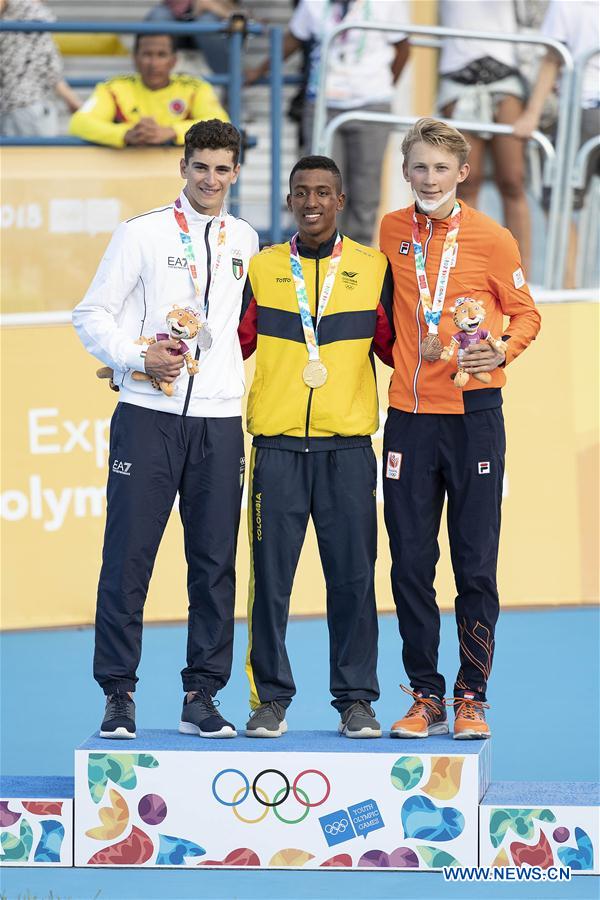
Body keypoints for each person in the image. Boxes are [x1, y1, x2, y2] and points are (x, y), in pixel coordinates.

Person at [72, 120, 259, 739]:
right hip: (148, 418)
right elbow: (92, 312)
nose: (211, 179)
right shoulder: (141, 233)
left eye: (223, 169)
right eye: (201, 167)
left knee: (214, 564)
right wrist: (132, 358)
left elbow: (238, 332)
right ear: (183, 166)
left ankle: (201, 695)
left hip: (219, 420)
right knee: (128, 558)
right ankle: (118, 695)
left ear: (236, 173)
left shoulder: (247, 240)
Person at [379, 118, 541, 741]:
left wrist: (500, 350)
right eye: (419, 167)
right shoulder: (392, 231)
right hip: (408, 418)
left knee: (475, 564)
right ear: (405, 171)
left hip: (475, 420)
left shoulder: (493, 238)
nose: (428, 178)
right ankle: (425, 695)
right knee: (410, 565)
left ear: (463, 174)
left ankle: (472, 695)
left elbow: (526, 314)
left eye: (440, 168)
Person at [237, 155, 395, 739]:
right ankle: (269, 700)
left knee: (353, 579)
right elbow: (231, 348)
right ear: (288, 201)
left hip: (348, 449)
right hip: (275, 448)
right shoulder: (261, 269)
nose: (311, 203)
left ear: (341, 200)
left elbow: (398, 354)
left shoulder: (373, 268)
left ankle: (355, 699)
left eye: (323, 192)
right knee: (269, 581)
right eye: (301, 192)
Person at [245, 0, 409, 246]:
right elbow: (293, 39)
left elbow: (403, 49)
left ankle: (358, 256)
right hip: (322, 105)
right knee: (320, 184)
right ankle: (322, 250)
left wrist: (379, 89)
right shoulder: (313, 3)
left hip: (370, 103)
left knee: (366, 189)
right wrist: (258, 71)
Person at [437, 0, 531, 275]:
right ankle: (469, 270)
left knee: (512, 179)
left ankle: (520, 272)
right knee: (467, 181)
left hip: (504, 76)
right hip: (458, 78)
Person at [513, 0, 600, 286]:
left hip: (582, 108)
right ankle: (570, 284)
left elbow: (552, 60)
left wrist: (532, 114)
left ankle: (569, 285)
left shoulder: (566, 5)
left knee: (560, 204)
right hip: (582, 107)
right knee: (563, 203)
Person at [69, 33, 228, 148]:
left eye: (161, 55)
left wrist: (171, 132)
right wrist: (125, 134)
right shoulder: (114, 88)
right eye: (147, 54)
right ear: (135, 58)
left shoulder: (195, 88)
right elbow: (79, 123)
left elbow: (220, 123)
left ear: (174, 61)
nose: (154, 63)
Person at [0, 0, 80, 136]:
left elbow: (47, 64)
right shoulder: (33, 16)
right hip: (30, 107)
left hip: (18, 106)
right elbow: (50, 67)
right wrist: (72, 100)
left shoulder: (24, 15)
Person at [145, 0, 243, 75]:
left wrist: (211, 5)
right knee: (158, 16)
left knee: (207, 22)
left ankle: (226, 84)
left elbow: (234, 11)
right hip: (179, 20)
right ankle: (155, 79)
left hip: (212, 20)